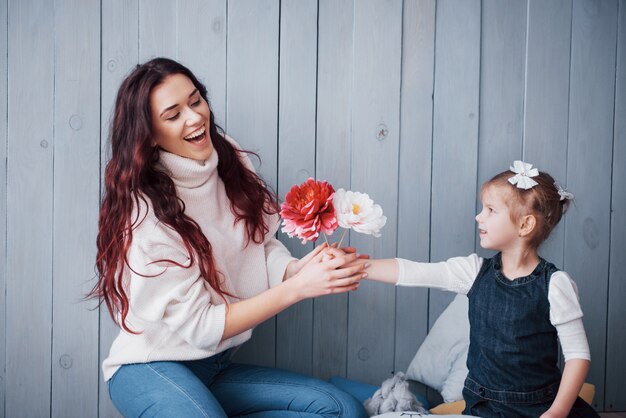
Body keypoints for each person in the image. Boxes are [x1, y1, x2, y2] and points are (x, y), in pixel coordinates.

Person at [89, 57, 369, 418]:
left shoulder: (228, 158)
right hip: (151, 367)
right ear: (150, 134)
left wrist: (298, 270)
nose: (194, 118)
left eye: (195, 100)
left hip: (215, 366)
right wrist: (298, 289)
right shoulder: (146, 212)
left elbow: (259, 245)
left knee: (343, 409)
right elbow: (203, 327)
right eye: (173, 115)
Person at [360, 161, 599, 417]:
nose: (479, 216)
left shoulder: (555, 283)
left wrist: (557, 412)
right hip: (483, 408)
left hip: (539, 408)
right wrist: (359, 266)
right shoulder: (474, 271)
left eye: (490, 210)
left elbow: (577, 355)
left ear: (525, 225)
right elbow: (414, 271)